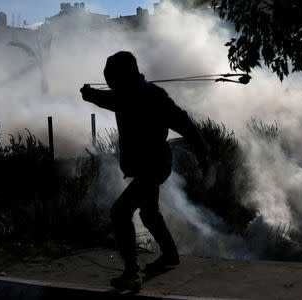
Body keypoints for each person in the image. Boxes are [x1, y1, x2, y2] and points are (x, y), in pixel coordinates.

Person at [80, 51, 210, 290]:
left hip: (154, 166)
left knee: (120, 212)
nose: (110, 82)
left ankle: (132, 272)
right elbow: (105, 98)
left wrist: (203, 155)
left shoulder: (152, 97)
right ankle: (170, 254)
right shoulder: (126, 94)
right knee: (148, 214)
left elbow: (185, 123)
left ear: (123, 75)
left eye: (112, 77)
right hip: (147, 166)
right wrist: (89, 94)